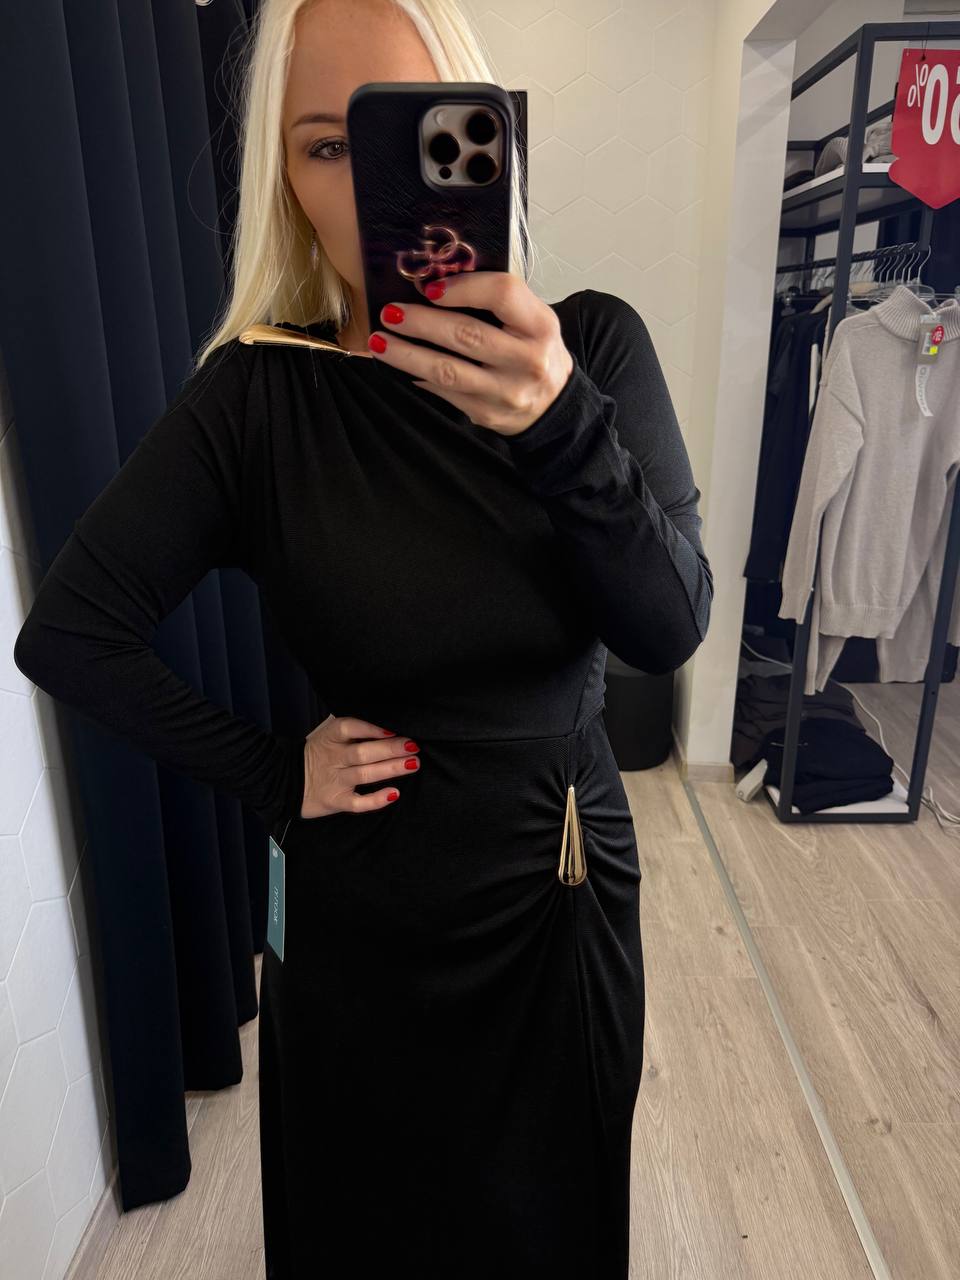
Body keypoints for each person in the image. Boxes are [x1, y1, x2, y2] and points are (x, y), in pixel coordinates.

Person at [13, 0, 714, 1275]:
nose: (369, 185)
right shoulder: (260, 396)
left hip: (551, 893)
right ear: (282, 179)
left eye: (413, 134)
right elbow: (70, 632)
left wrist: (559, 423)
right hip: (357, 917)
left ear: (487, 136)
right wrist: (272, 770)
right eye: (326, 147)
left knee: (546, 1227)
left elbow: (666, 626)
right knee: (360, 1226)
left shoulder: (595, 347)